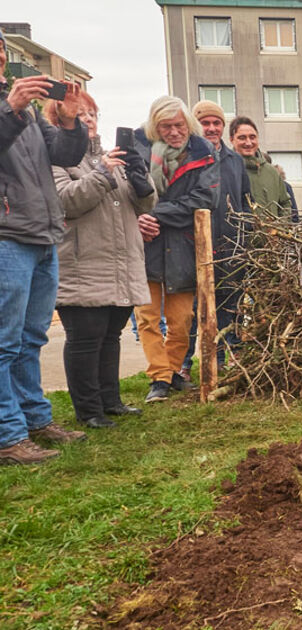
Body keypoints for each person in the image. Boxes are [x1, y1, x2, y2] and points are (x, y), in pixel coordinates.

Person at [0, 28, 91, 465]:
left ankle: (35, 420)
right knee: (3, 341)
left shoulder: (30, 113)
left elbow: (65, 155)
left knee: (31, 337)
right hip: (6, 238)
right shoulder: (14, 108)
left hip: (41, 234)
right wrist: (11, 109)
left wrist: (70, 119)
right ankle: (7, 436)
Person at [45, 91, 155, 429]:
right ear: (61, 119)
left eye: (92, 114)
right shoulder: (55, 160)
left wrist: (139, 176)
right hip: (82, 265)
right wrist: (104, 174)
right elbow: (66, 202)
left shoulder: (112, 158)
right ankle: (88, 410)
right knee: (85, 338)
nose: (89, 120)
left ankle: (111, 401)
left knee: (111, 335)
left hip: (120, 264)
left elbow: (145, 206)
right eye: (80, 114)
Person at [133, 96, 219, 403]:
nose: (173, 131)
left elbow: (205, 200)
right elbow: (128, 194)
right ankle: (160, 377)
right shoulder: (137, 149)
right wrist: (140, 220)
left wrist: (155, 214)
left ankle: (170, 371)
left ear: (188, 124)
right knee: (147, 317)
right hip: (145, 245)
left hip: (183, 248)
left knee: (182, 319)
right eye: (166, 126)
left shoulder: (203, 152)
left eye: (179, 125)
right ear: (155, 127)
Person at [180, 100, 252, 378]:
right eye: (205, 123)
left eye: (216, 123)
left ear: (223, 126)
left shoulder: (235, 161)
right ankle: (184, 365)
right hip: (193, 243)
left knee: (228, 305)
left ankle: (225, 358)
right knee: (192, 310)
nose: (211, 128)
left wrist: (243, 235)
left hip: (230, 245)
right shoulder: (186, 156)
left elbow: (245, 201)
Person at [229, 116, 296, 222]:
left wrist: (279, 227)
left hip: (272, 237)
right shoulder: (226, 170)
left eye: (252, 137)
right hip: (238, 237)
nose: (248, 143)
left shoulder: (272, 172)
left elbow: (285, 204)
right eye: (242, 138)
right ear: (232, 139)